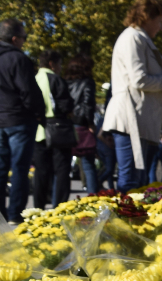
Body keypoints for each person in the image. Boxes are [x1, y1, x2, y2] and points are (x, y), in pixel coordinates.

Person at [104, 0, 162, 191]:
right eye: (159, 21)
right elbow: (138, 79)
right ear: (147, 18)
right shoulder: (132, 38)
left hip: (143, 121)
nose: (160, 28)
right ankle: (124, 220)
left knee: (141, 183)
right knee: (131, 182)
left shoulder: (141, 39)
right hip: (131, 119)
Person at [0, 18, 40, 222]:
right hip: (19, 118)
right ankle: (15, 212)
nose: (25, 42)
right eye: (24, 38)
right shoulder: (18, 59)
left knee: (0, 166)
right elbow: (28, 90)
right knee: (19, 167)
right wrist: (36, 112)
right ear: (15, 38)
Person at [31, 49, 75, 209]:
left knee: (41, 173)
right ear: (52, 64)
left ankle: (38, 206)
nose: (61, 68)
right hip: (58, 129)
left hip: (38, 131)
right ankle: (60, 206)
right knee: (62, 170)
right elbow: (65, 105)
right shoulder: (55, 79)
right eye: (60, 64)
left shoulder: (34, 78)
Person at [65, 55, 99, 195]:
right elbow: (88, 104)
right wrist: (90, 123)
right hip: (82, 125)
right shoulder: (87, 82)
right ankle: (92, 197)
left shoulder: (65, 82)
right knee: (88, 165)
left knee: (64, 165)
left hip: (67, 125)